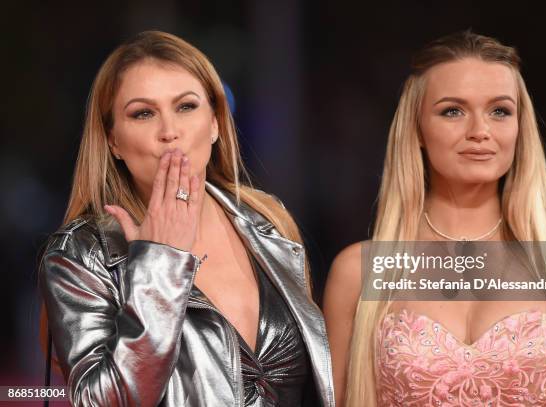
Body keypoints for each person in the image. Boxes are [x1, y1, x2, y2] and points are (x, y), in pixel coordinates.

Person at [38, 30, 334, 407]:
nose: (169, 132)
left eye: (186, 106)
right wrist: (160, 265)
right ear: (113, 140)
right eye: (143, 113)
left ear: (214, 123)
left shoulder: (268, 221)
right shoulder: (82, 253)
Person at [323, 30, 546, 406]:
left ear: (521, 128)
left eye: (500, 111)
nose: (480, 132)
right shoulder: (358, 271)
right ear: (418, 129)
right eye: (452, 111)